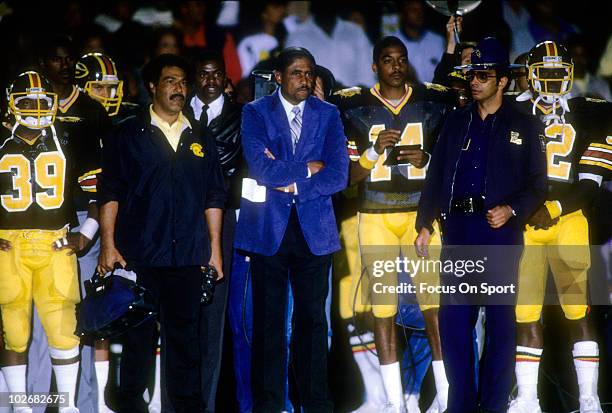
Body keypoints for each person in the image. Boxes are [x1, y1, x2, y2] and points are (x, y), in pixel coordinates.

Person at [415, 37, 547, 412]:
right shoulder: (456, 121)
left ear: (502, 80)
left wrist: (512, 210)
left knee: (501, 327)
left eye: (484, 75)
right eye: (472, 75)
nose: (475, 82)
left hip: (499, 234)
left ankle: (493, 405)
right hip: (458, 231)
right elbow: (436, 176)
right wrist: (425, 223)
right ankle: (459, 404)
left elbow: (539, 184)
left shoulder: (524, 123)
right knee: (455, 324)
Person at [97, 53, 226, 413]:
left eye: (184, 82)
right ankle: (130, 406)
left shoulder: (200, 134)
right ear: (152, 86)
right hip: (140, 255)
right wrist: (108, 244)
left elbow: (214, 196)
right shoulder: (128, 133)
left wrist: (214, 250)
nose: (179, 89)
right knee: (137, 342)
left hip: (187, 255)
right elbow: (110, 191)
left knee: (186, 344)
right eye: (170, 81)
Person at [330, 36, 453, 413]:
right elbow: (345, 177)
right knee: (382, 308)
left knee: (434, 306)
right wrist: (372, 152)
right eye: (388, 60)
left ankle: (447, 396)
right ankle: (393, 401)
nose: (396, 66)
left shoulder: (434, 101)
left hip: (421, 215)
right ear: (374, 67)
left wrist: (426, 159)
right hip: (374, 216)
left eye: (401, 59)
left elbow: (455, 165)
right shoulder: (351, 107)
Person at [234, 46, 348, 412]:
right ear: (278, 77)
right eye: (297, 73)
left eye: (310, 72)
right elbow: (260, 169)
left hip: (315, 232)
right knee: (268, 326)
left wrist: (295, 182)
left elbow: (339, 174)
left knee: (313, 324)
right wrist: (306, 168)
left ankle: (315, 404)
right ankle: (269, 406)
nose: (306, 79)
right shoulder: (254, 112)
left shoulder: (329, 114)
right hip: (268, 231)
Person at [509, 40, 611, 413]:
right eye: (545, 72)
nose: (552, 80)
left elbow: (592, 182)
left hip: (568, 218)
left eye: (558, 72)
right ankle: (527, 399)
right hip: (524, 221)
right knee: (526, 311)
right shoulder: (509, 109)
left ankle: (589, 399)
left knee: (577, 310)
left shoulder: (591, 111)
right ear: (530, 75)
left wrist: (552, 205)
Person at [0, 71, 100, 413]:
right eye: (27, 102)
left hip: (56, 240)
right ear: (12, 104)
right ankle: (20, 405)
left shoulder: (70, 136)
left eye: (43, 102)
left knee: (63, 326)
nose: (37, 109)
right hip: (9, 243)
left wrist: (87, 233)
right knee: (13, 326)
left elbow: (97, 190)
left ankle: (68, 405)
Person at [35, 34, 110, 413]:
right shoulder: (24, 105)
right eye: (56, 58)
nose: (64, 65)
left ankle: (83, 406)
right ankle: (30, 403)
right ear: (42, 63)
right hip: (36, 224)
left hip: (81, 221)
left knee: (83, 320)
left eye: (69, 59)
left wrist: (90, 232)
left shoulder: (93, 110)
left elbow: (102, 184)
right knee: (34, 323)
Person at [183, 49, 243, 413]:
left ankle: (206, 403)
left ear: (225, 78)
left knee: (215, 318)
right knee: (179, 315)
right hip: (179, 222)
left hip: (227, 221)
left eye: (215, 74)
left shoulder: (244, 116)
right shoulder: (175, 112)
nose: (209, 81)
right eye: (202, 75)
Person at [285, 3, 375, 88]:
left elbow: (367, 75)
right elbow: (293, 80)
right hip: (314, 102)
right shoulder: (297, 36)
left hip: (354, 101)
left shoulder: (355, 32)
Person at [393, 0, 445, 83]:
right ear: (403, 14)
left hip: (435, 93)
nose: (419, 14)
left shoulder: (437, 40)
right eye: (413, 10)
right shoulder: (392, 43)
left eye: (421, 10)